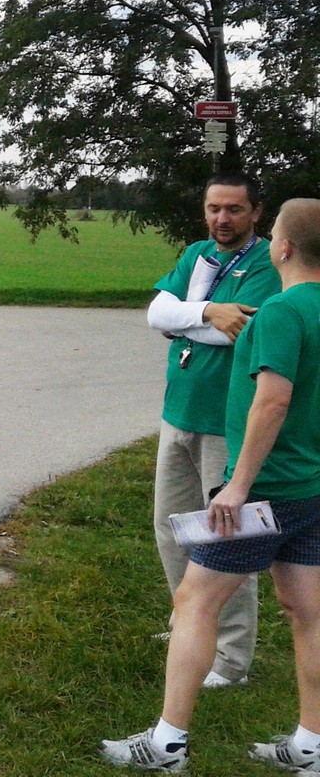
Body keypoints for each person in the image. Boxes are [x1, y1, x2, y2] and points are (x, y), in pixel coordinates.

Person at [102, 198, 320, 773]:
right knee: (308, 612)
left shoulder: (281, 311)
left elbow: (272, 401)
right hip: (311, 488)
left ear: (283, 247)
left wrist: (237, 485)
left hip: (267, 487)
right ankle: (311, 746)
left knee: (195, 601)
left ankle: (167, 744)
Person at [146, 173, 280, 688]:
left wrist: (184, 320)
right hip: (177, 412)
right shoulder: (198, 253)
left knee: (227, 538)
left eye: (234, 209)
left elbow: (239, 332)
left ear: (256, 213)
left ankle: (229, 657)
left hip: (227, 422)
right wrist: (205, 310)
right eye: (213, 208)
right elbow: (156, 313)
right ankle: (188, 622)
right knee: (171, 526)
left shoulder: (267, 263)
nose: (222, 219)